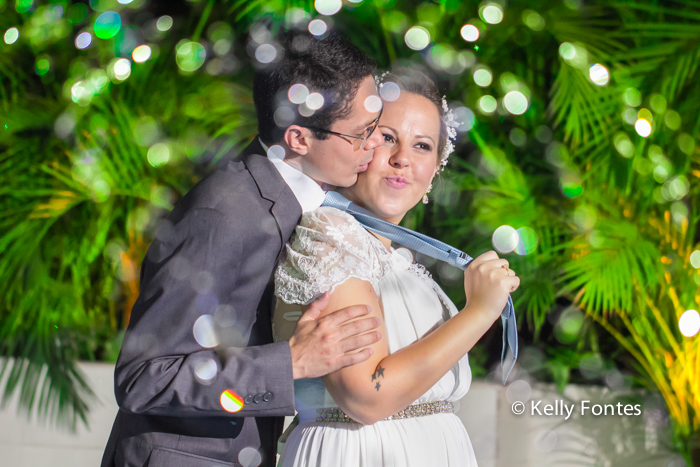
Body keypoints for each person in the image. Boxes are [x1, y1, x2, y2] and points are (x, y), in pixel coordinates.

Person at [101, 31, 387, 467]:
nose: (374, 145)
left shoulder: (312, 201)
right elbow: (143, 378)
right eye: (361, 134)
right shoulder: (222, 214)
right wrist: (290, 362)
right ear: (299, 139)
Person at [273, 69, 521, 466]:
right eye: (387, 137)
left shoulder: (394, 258)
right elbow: (365, 396)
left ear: (435, 167)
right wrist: (479, 311)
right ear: (357, 144)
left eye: (422, 146)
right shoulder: (331, 233)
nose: (402, 159)